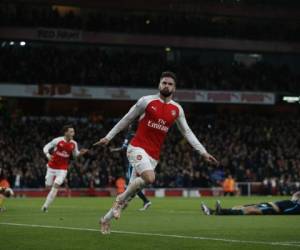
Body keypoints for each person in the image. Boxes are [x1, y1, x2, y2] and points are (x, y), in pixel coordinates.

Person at [94, 71, 218, 234]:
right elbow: (127, 118)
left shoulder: (177, 109)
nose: (166, 86)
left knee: (129, 196)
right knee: (150, 177)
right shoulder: (146, 101)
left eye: (170, 84)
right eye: (164, 83)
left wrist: (203, 152)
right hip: (137, 147)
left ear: (174, 88)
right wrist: (108, 137)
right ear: (159, 84)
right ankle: (118, 200)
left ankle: (105, 220)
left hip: (153, 155)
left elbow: (187, 132)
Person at [41, 125, 88, 212]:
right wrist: (47, 155)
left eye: (73, 132)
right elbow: (46, 147)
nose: (73, 133)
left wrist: (81, 153)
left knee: (56, 185)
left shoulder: (74, 143)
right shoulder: (57, 140)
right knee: (48, 186)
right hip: (51, 167)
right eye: (71, 131)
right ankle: (47, 199)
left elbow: (75, 155)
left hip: (62, 169)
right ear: (65, 132)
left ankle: (45, 206)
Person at [110, 124, 152, 211]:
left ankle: (125, 202)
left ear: (130, 127)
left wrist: (114, 150)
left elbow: (124, 148)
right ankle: (143, 201)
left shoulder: (129, 135)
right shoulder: (139, 135)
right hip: (140, 161)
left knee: (131, 184)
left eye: (129, 125)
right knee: (132, 184)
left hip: (133, 162)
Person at [201, 191, 300, 216]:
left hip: (273, 209)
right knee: (244, 206)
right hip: (270, 204)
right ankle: (212, 211)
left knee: (250, 210)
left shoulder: (297, 207)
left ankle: (221, 212)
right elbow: (295, 195)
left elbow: (287, 212)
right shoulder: (295, 201)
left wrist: (278, 211)